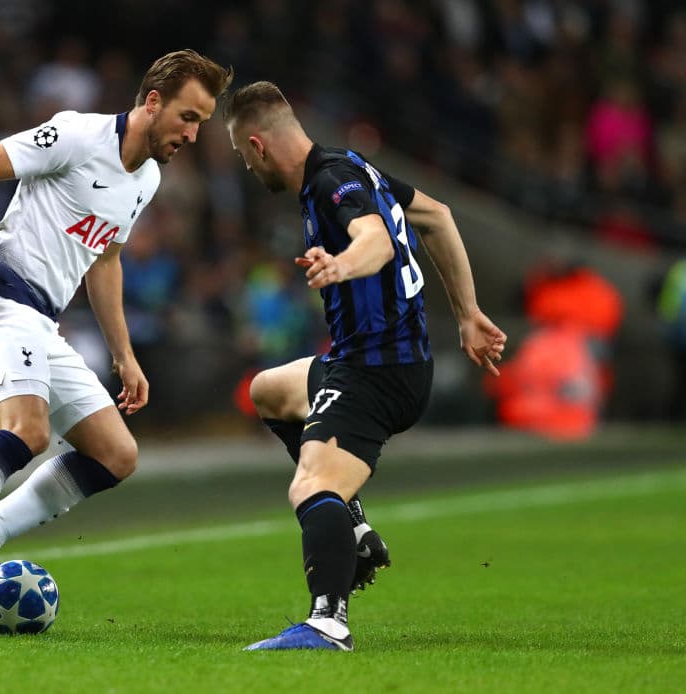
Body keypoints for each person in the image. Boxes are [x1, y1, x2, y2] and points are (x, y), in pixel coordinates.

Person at [0, 50, 233, 620]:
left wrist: (125, 356)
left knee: (116, 453)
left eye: (200, 122)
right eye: (188, 117)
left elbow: (105, 262)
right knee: (28, 429)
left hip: (40, 321)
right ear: (152, 103)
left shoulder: (144, 178)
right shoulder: (76, 135)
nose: (194, 135)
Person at [223, 82, 506, 651]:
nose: (246, 168)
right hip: (366, 359)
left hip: (379, 370)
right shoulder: (352, 167)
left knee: (309, 486)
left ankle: (328, 622)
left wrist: (342, 264)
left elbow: (374, 241)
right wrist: (469, 313)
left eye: (240, 155)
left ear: (257, 146)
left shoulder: (331, 183)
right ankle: (352, 527)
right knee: (269, 391)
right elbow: (437, 216)